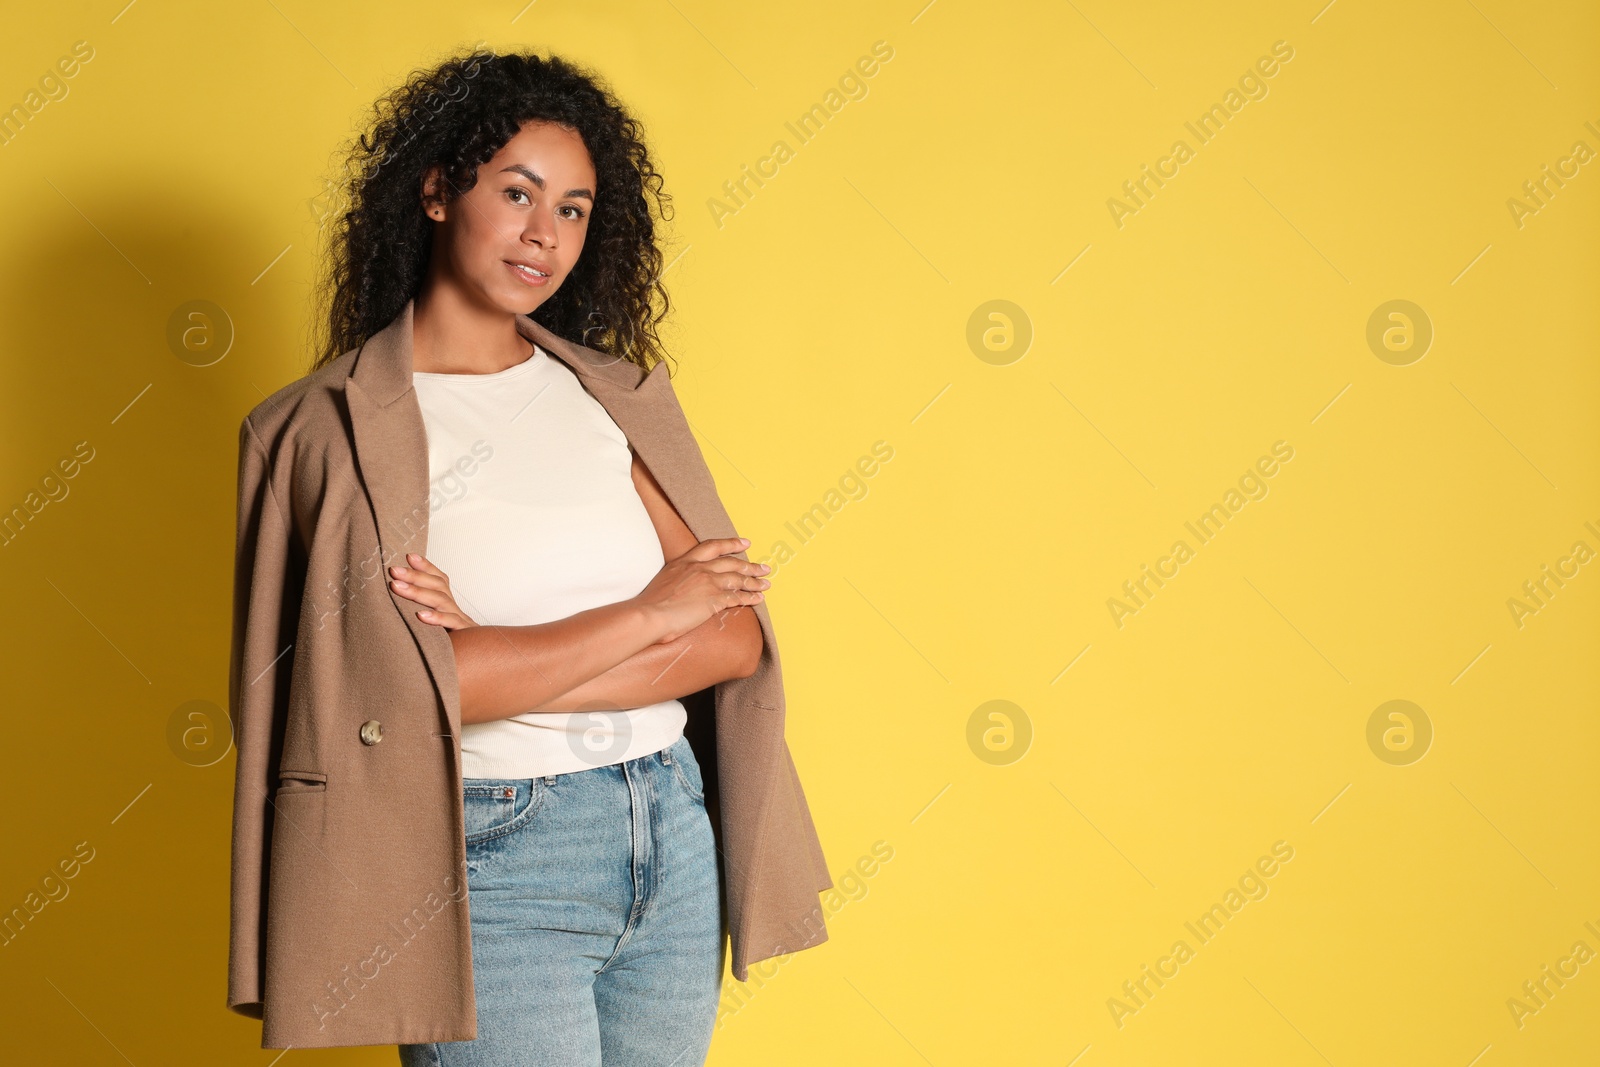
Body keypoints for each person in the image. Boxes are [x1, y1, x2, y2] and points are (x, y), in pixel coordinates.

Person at [228, 45, 831, 1063]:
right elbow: (397, 697)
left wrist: (504, 652)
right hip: (486, 857)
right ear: (435, 192)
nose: (542, 234)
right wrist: (649, 614)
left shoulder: (614, 394)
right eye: (517, 193)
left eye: (573, 209)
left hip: (669, 825)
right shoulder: (327, 429)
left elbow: (731, 636)